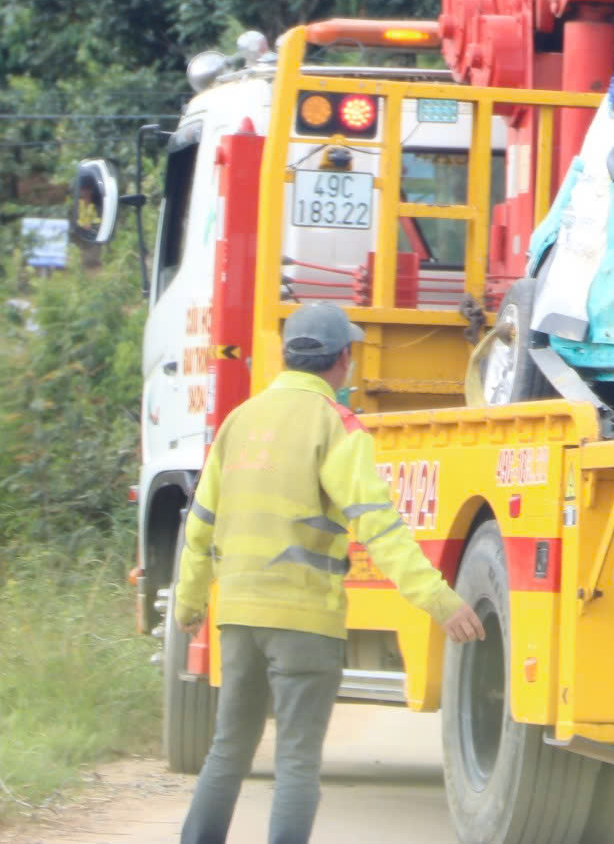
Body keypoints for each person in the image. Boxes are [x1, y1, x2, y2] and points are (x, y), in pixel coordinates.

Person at [175, 301, 484, 844]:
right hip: (304, 623)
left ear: (287, 356)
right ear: (344, 359)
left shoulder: (238, 422)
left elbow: (200, 527)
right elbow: (380, 529)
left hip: (239, 620)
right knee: (296, 763)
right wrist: (441, 601)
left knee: (228, 751)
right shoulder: (337, 426)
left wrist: (189, 605)